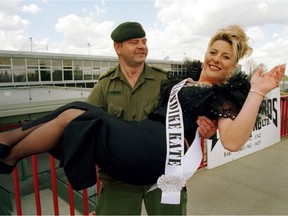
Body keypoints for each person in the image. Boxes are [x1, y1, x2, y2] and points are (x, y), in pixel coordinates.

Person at [0, 23, 284, 213]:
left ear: (233, 66)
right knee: (77, 109)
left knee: (76, 114)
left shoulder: (221, 95)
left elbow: (233, 141)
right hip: (138, 139)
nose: (216, 59)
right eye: (213, 52)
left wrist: (257, 92)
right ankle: (9, 144)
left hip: (157, 155)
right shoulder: (178, 82)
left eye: (226, 57)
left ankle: (9, 152)